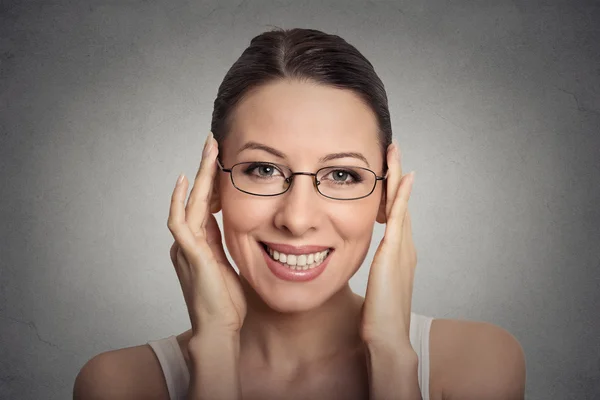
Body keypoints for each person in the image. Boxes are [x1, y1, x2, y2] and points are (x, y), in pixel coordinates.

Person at [73, 28, 526, 400]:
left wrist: (391, 357)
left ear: (387, 194)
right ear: (211, 185)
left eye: (342, 175)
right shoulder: (118, 385)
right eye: (263, 169)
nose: (297, 217)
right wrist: (213, 352)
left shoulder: (477, 364)